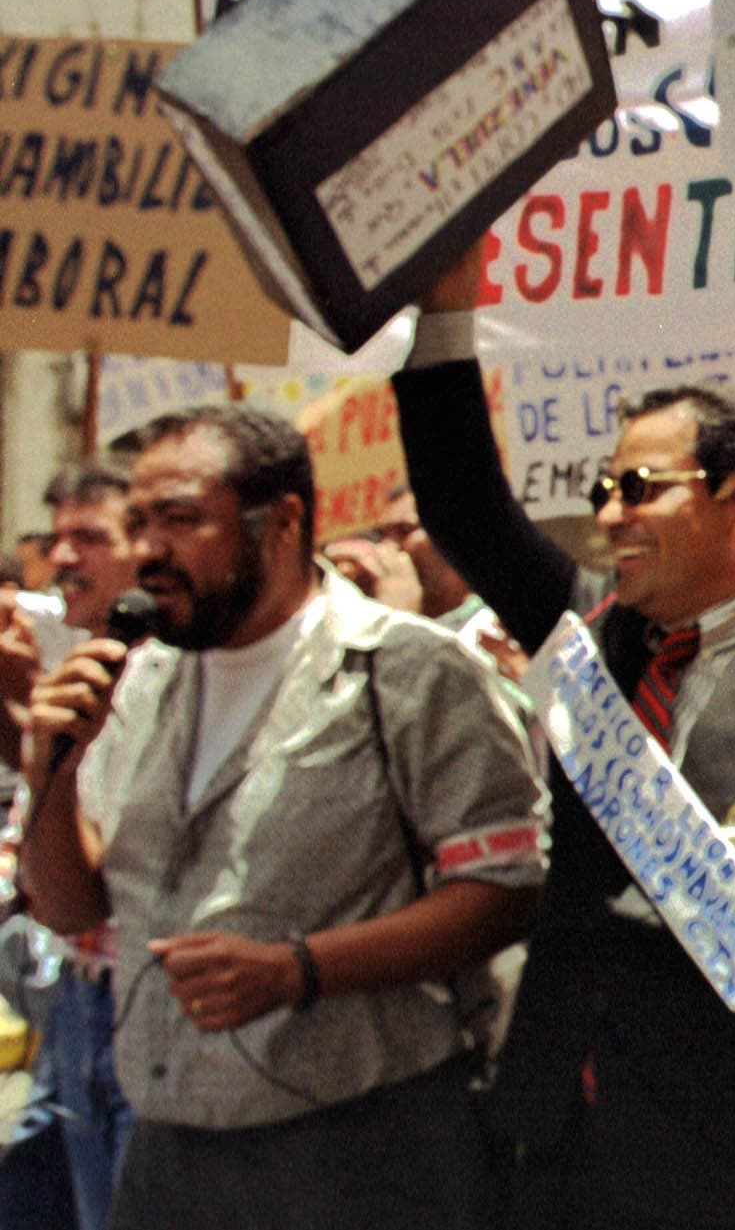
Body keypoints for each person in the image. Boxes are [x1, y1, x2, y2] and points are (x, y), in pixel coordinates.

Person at [390, 310, 735, 1230]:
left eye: (638, 487)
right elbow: (464, 501)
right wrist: (446, 306)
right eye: (603, 487)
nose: (607, 515)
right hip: (554, 1141)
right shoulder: (586, 641)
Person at [18, 404, 546, 1228]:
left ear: (284, 522)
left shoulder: (404, 673)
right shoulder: (142, 678)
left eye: (182, 518)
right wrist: (48, 770)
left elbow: (506, 890)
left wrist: (298, 969)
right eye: (140, 522)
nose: (150, 549)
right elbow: (77, 904)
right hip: (166, 1152)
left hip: (361, 1154)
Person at [0, 462, 144, 1230]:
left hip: (141, 1009)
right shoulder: (71, 661)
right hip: (74, 1003)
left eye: (89, 537)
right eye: (57, 539)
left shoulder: (174, 678)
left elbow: (96, 871)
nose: (61, 559)